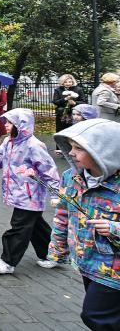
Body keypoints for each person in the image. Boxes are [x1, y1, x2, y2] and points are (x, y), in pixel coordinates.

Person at [47, 118, 120, 330]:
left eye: (79, 148)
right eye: (70, 146)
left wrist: (115, 228)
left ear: (104, 152)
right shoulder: (71, 177)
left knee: (95, 315)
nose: (70, 153)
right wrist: (57, 250)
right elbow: (62, 215)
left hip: (114, 270)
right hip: (87, 262)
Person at [0, 108, 60, 274]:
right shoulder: (9, 142)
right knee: (36, 226)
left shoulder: (34, 145)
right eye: (6, 122)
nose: (5, 125)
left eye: (9, 122)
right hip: (18, 193)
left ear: (20, 125)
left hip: (30, 195)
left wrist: (56, 193)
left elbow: (48, 170)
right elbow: (1, 161)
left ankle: (8, 262)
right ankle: (52, 255)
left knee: (19, 227)